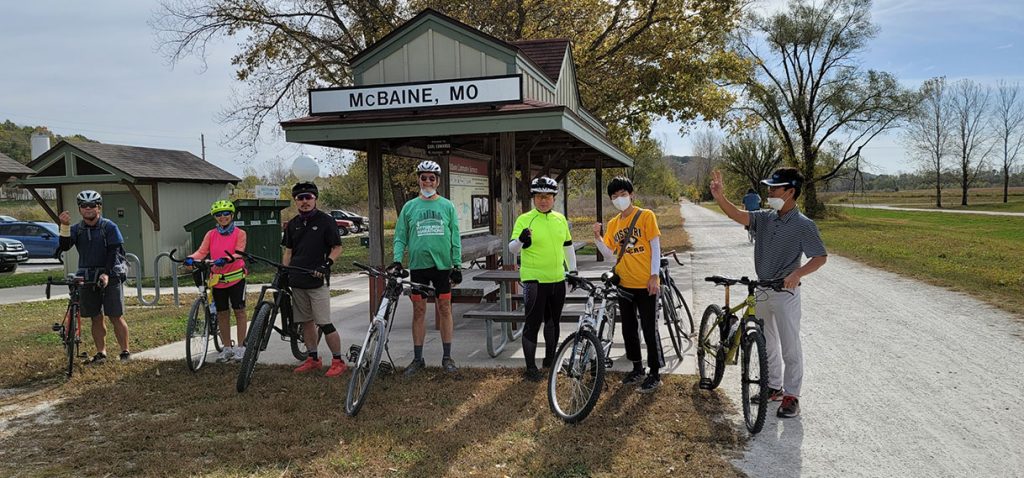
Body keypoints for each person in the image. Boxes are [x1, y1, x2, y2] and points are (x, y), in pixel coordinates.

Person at [709, 168, 827, 418]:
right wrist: (720, 197)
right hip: (762, 288)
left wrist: (797, 275)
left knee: (789, 345)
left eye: (775, 188)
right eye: (770, 187)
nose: (770, 192)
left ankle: (792, 395)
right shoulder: (765, 217)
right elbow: (738, 215)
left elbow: (819, 257)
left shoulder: (803, 225)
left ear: (791, 191)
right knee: (768, 343)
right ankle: (774, 387)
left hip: (785, 293)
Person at [592, 177, 665, 393]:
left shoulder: (645, 216)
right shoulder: (614, 223)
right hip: (624, 284)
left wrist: (654, 276)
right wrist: (597, 236)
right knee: (629, 329)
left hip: (646, 284)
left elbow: (655, 246)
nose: (619, 199)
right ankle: (637, 368)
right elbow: (608, 254)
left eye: (623, 194)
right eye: (614, 197)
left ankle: (654, 373)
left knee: (650, 329)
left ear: (632, 195)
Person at [392, 160, 462, 375]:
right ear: (418, 180)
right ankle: (417, 358)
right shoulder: (410, 207)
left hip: (442, 267)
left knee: (444, 309)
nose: (428, 181)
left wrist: (457, 264)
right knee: (419, 310)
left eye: (432, 178)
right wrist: (397, 260)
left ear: (438, 181)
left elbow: (455, 236)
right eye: (424, 177)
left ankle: (447, 357)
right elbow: (400, 236)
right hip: (418, 267)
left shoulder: (447, 206)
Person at [509, 176, 578, 382]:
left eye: (547, 196)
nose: (543, 200)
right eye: (539, 196)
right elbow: (512, 249)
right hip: (534, 281)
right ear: (533, 198)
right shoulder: (524, 219)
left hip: (557, 279)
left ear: (554, 198)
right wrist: (521, 239)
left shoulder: (560, 219)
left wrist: (572, 271)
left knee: (553, 322)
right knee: (532, 324)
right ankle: (530, 368)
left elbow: (567, 246)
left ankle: (550, 360)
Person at [56, 190, 131, 364]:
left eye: (92, 205)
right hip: (87, 275)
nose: (88, 209)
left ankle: (125, 351)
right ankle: (101, 353)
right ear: (80, 209)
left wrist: (106, 273)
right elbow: (65, 247)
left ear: (99, 207)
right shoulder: (77, 229)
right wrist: (64, 226)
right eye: (84, 206)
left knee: (115, 315)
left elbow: (114, 252)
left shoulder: (109, 227)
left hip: (110, 274)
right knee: (96, 316)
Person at [283, 182, 347, 377]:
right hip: (298, 280)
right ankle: (313, 358)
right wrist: (285, 271)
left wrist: (326, 264)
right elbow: (288, 251)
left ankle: (338, 360)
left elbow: (337, 247)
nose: (304, 201)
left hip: (317, 279)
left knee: (324, 322)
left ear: (315, 199)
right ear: (295, 201)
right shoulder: (292, 224)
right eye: (300, 198)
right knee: (306, 322)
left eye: (308, 197)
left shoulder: (326, 221)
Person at [185, 200, 249, 363]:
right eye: (218, 214)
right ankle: (227, 347)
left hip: (236, 278)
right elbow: (201, 252)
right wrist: (190, 259)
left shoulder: (239, 233)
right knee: (222, 313)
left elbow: (239, 253)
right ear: (215, 217)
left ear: (232, 215)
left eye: (226, 213)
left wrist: (226, 259)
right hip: (217, 280)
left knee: (239, 311)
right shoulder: (211, 234)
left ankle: (241, 347)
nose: (222, 217)